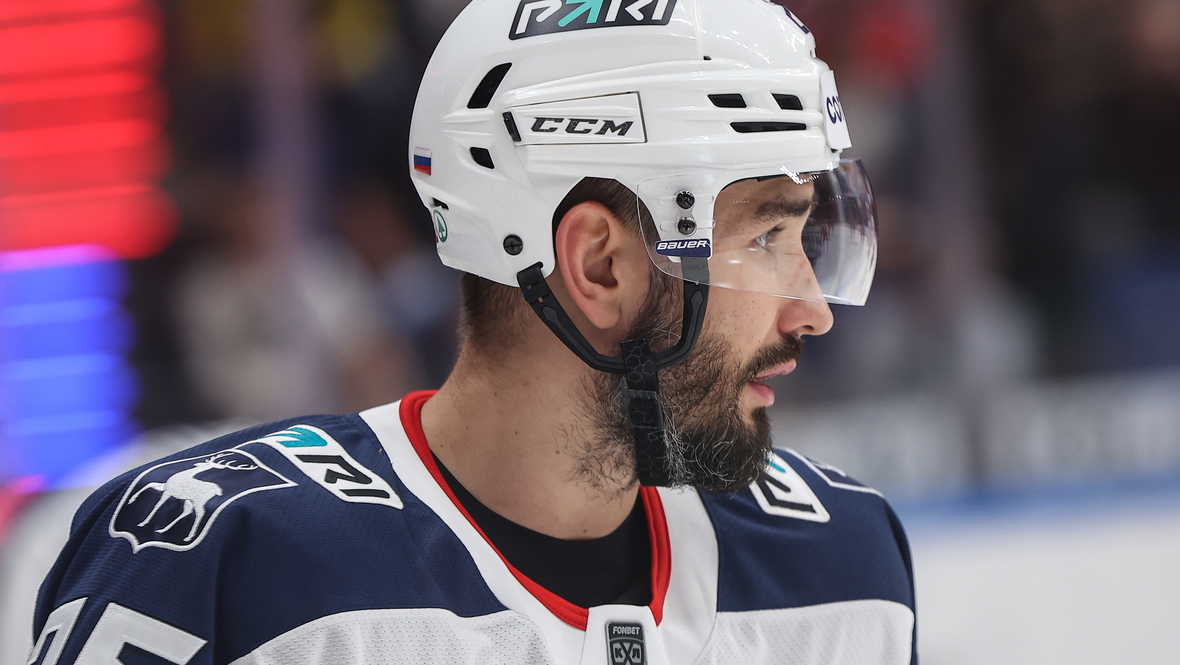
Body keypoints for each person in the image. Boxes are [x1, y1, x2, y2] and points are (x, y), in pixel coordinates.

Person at [28, 1, 915, 664]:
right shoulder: (223, 563)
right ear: (599, 264)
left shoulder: (844, 564)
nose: (813, 308)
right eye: (766, 237)